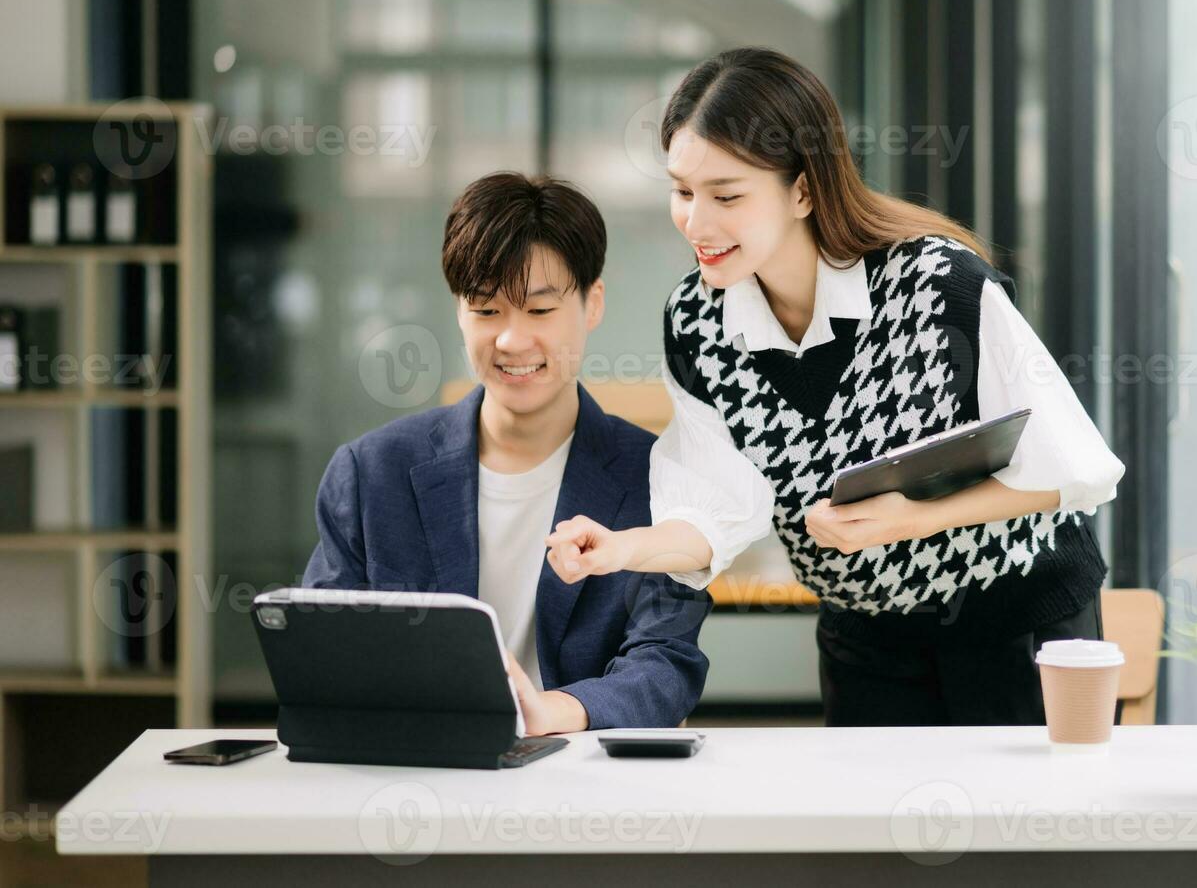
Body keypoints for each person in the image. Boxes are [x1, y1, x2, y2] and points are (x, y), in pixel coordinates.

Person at [544, 48, 1125, 727]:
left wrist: (918, 517)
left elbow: (1079, 468)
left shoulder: (938, 285)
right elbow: (714, 506)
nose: (696, 223)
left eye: (727, 195)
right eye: (682, 191)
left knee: (1030, 831)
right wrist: (623, 549)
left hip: (1019, 624)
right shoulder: (697, 321)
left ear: (803, 189)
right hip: (866, 642)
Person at [303, 171, 711, 735]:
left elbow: (665, 662)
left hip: (585, 783)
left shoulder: (661, 478)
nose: (512, 341)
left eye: (540, 311)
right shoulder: (372, 474)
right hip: (418, 774)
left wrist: (552, 713)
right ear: (458, 310)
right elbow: (324, 655)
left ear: (593, 304)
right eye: (487, 310)